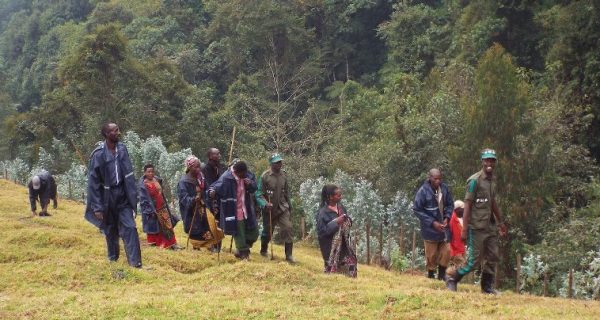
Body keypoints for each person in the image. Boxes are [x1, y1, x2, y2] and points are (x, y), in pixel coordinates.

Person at [446, 148, 509, 294]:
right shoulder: (474, 181)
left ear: (495, 163)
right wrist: (464, 229)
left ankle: (486, 287)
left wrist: (501, 223)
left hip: (490, 226)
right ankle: (452, 279)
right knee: (473, 262)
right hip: (476, 228)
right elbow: (467, 205)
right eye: (487, 160)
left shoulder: (492, 180)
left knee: (493, 257)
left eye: (492, 160)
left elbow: (493, 202)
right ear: (482, 161)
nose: (489, 163)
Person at [84, 122, 142, 268]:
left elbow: (129, 175)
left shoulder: (122, 149)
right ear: (106, 134)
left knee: (130, 227)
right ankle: (113, 260)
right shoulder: (98, 155)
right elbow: (93, 182)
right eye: (114, 131)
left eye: (118, 130)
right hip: (107, 197)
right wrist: (97, 207)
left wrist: (133, 197)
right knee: (110, 230)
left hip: (122, 195)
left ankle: (136, 264)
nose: (118, 133)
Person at [209, 160, 258, 260]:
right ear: (236, 172)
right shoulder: (226, 178)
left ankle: (241, 250)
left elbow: (254, 188)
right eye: (243, 174)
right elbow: (214, 187)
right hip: (233, 209)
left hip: (246, 208)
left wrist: (250, 184)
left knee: (254, 232)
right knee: (239, 232)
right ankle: (244, 254)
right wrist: (212, 192)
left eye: (245, 173)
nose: (245, 175)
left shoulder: (246, 174)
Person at [413, 168, 454, 280]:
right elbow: (417, 209)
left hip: (444, 228)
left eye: (439, 179)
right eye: (435, 179)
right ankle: (430, 275)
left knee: (447, 252)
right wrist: (432, 222)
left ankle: (441, 276)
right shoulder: (423, 191)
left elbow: (450, 205)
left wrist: (447, 217)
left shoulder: (444, 189)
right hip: (430, 230)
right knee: (431, 255)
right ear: (430, 178)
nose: (438, 181)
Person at [256, 153, 295, 262]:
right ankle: (263, 250)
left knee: (288, 227)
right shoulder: (265, 176)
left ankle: (289, 255)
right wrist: (264, 204)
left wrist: (290, 206)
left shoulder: (284, 175)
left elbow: (287, 192)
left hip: (282, 207)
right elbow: (258, 194)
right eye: (277, 162)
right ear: (271, 163)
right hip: (269, 209)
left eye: (280, 162)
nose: (279, 164)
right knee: (267, 231)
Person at [178, 155, 223, 250]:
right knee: (195, 229)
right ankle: (196, 247)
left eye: (199, 167)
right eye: (196, 167)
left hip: (203, 208)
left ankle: (210, 246)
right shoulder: (183, 182)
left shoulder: (201, 178)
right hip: (191, 211)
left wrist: (210, 193)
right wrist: (194, 199)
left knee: (209, 226)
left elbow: (206, 190)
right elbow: (184, 198)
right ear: (189, 167)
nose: (199, 169)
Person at [316, 184, 357, 277]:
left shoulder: (341, 208)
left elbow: (348, 220)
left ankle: (352, 284)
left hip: (345, 247)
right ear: (330, 197)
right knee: (332, 273)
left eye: (340, 195)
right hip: (331, 248)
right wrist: (336, 222)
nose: (340, 197)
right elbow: (322, 232)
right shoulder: (322, 213)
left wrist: (348, 220)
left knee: (350, 265)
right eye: (338, 195)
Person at [139, 163, 182, 250]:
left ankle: (173, 244)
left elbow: (161, 192)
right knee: (156, 227)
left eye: (152, 171)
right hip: (153, 208)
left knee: (167, 225)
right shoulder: (143, 185)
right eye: (148, 172)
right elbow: (144, 200)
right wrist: (150, 210)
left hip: (162, 206)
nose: (151, 173)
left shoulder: (157, 180)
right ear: (145, 173)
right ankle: (160, 244)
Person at [446, 200, 466, 280]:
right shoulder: (452, 219)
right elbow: (449, 235)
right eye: (462, 209)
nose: (464, 211)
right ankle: (448, 276)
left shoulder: (458, 219)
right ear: (457, 209)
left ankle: (450, 278)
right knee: (463, 265)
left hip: (460, 248)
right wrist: (451, 248)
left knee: (459, 265)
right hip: (455, 249)